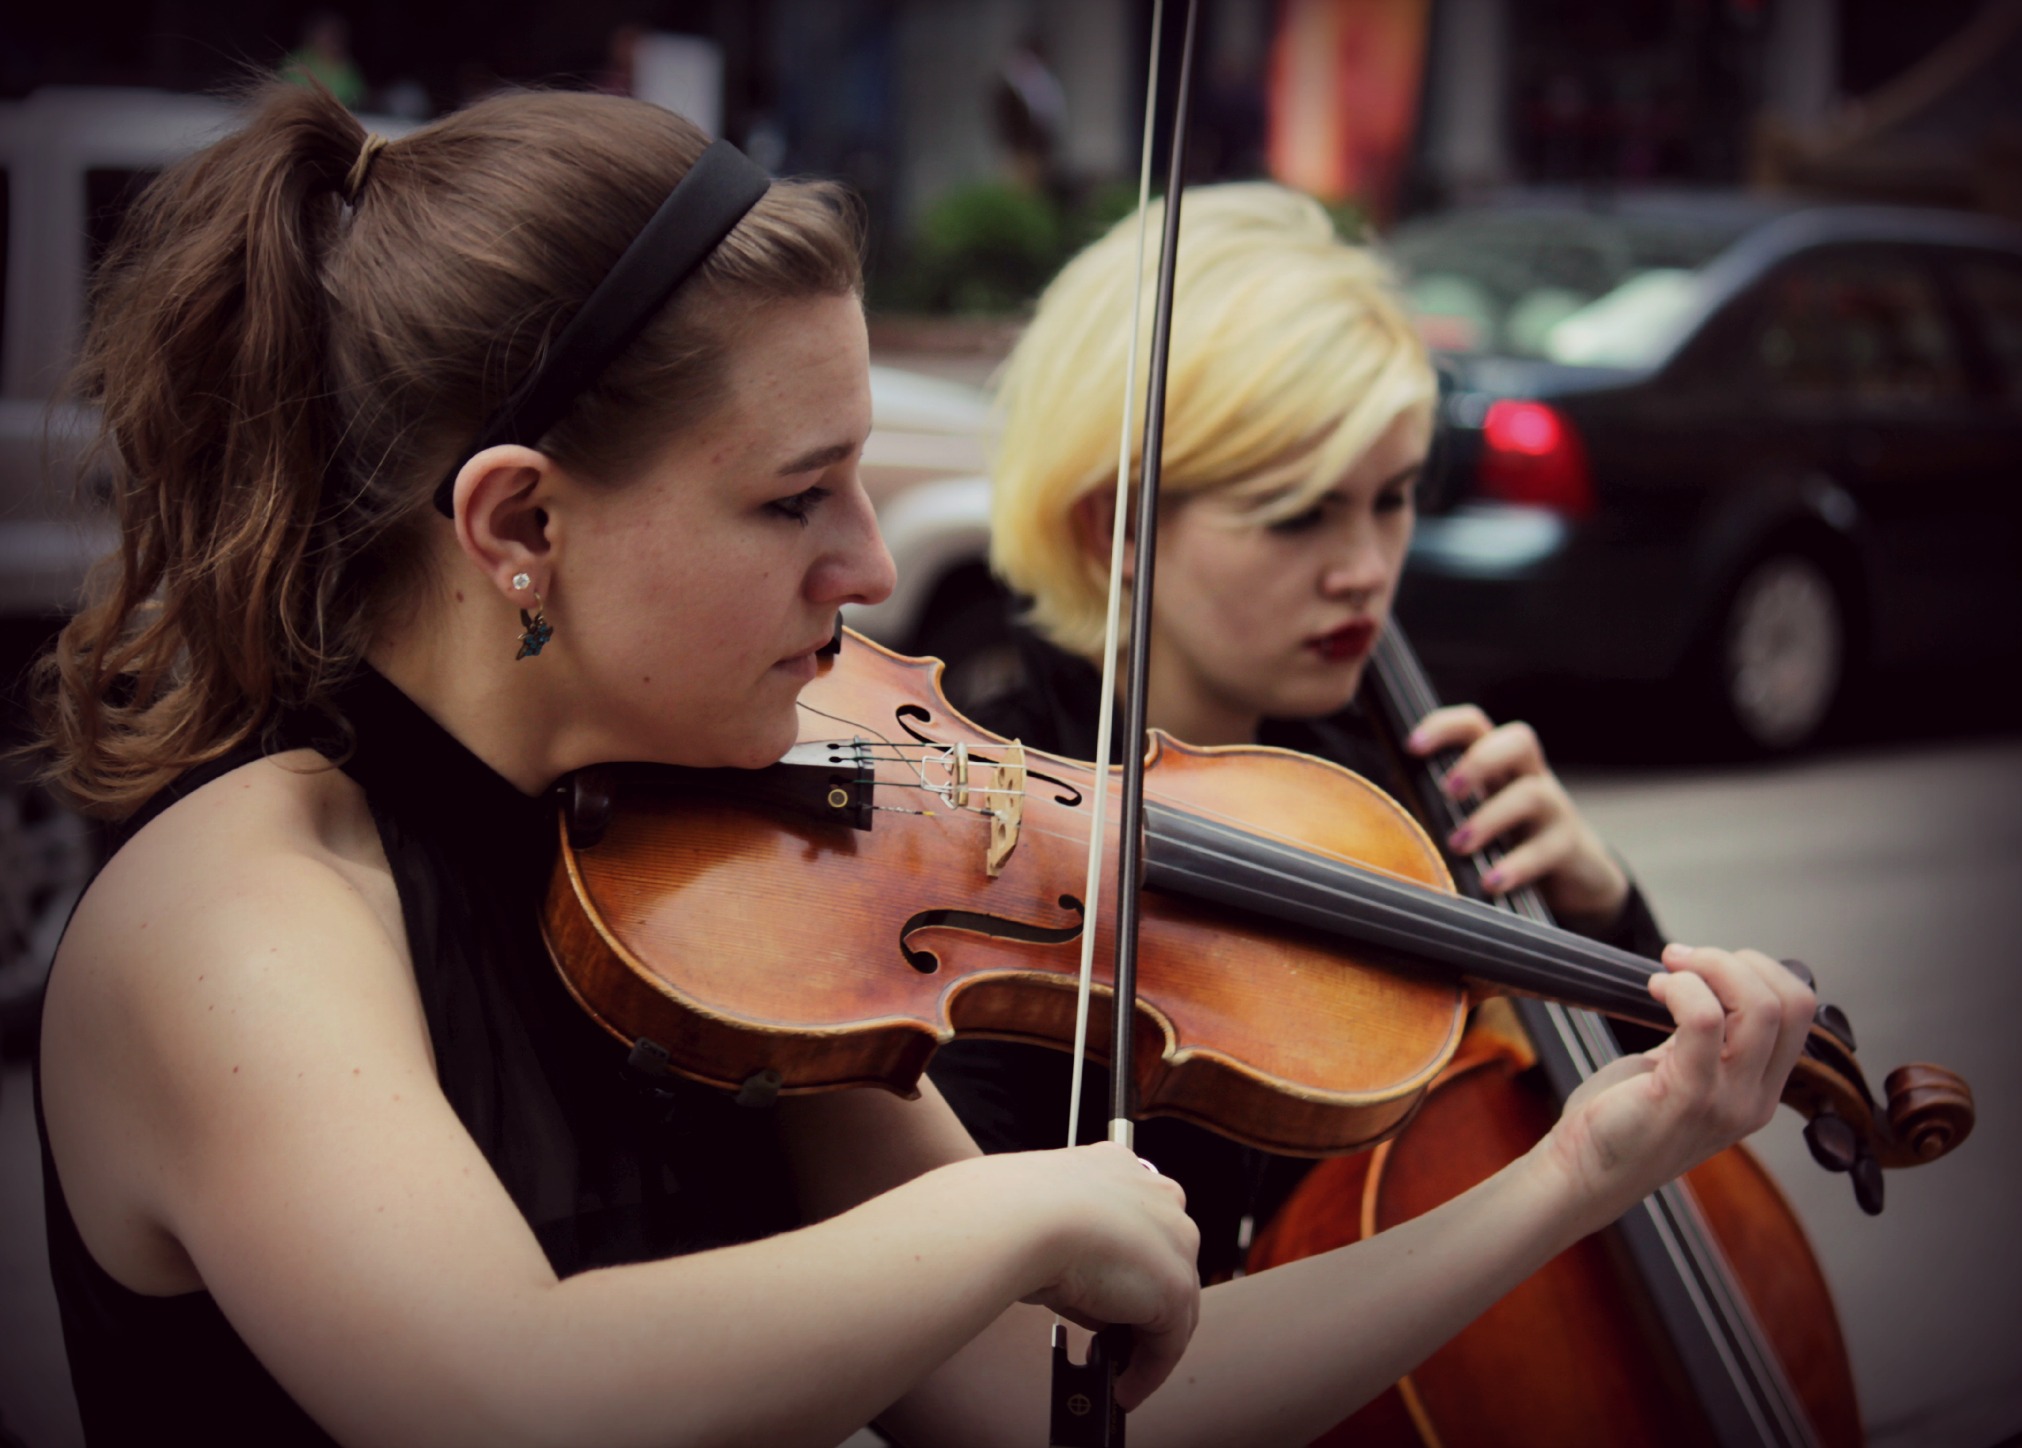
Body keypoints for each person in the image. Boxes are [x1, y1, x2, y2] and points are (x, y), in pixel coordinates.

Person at [29, 83, 1815, 1446]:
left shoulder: (709, 873)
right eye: (793, 494)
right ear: (518, 522)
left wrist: (1584, 1163)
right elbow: (503, 1395)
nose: (873, 566)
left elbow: (1048, 1407)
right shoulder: (246, 906)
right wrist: (1009, 1209)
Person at [931, 182, 1667, 1278]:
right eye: (1300, 510)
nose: (1368, 570)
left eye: (1394, 495)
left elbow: (1601, 1131)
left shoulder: (1386, 787)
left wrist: (1602, 915)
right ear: (1114, 523)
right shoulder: (996, 839)